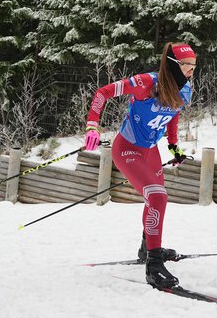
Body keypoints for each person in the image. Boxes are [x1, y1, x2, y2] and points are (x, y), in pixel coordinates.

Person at [83, 42, 196, 288]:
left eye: (194, 66)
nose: (191, 70)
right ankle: (154, 266)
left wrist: (174, 147)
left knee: (154, 199)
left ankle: (148, 248)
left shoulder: (185, 90)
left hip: (150, 152)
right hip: (127, 149)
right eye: (187, 65)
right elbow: (103, 92)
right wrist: (92, 125)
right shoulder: (146, 82)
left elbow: (173, 117)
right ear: (173, 65)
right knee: (158, 197)